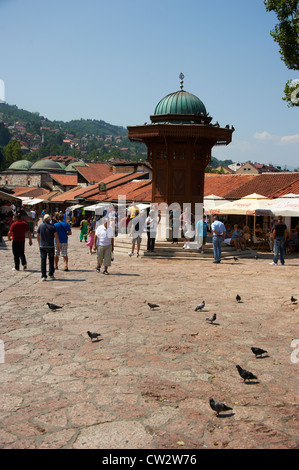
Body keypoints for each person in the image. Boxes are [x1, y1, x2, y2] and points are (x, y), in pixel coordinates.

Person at [37, 214, 60, 281]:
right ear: (50, 219)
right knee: (51, 260)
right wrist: (58, 245)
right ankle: (51, 274)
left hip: (42, 246)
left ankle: (43, 275)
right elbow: (56, 236)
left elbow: (38, 235)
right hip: (50, 245)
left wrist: (39, 243)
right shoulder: (52, 226)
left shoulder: (41, 226)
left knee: (43, 260)